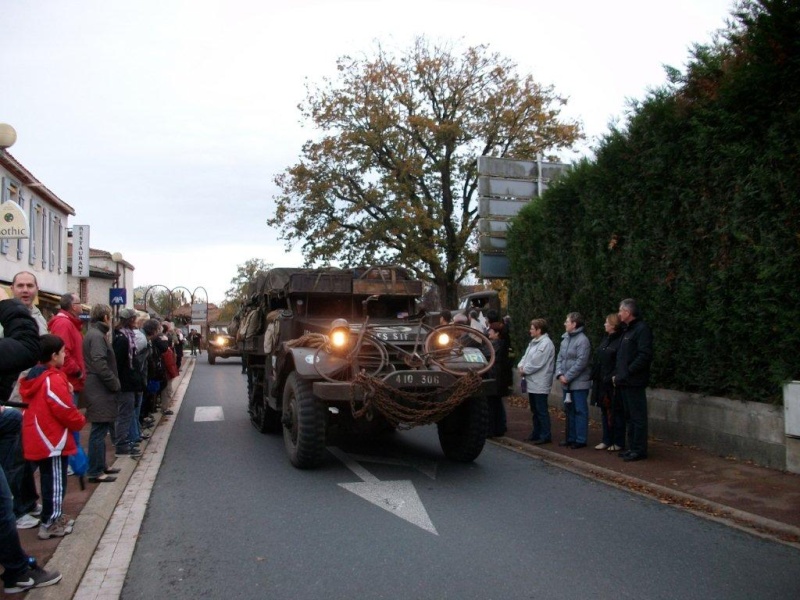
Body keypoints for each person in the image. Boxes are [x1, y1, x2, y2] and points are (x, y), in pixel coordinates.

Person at [0, 287, 62, 594]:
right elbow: (26, 347)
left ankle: (16, 567)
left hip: (17, 415)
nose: (25, 290)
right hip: (47, 436)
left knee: (13, 423)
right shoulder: (45, 370)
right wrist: (9, 306)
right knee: (2, 504)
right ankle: (16, 571)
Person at [19, 334, 86, 540]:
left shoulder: (35, 376)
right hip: (52, 438)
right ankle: (50, 522)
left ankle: (53, 516)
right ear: (54, 355)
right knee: (56, 482)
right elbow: (64, 408)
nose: (66, 355)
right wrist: (79, 421)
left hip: (40, 434)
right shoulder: (52, 379)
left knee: (50, 479)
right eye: (63, 352)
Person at [83, 304, 122, 483]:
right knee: (98, 431)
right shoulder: (97, 336)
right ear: (105, 317)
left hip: (99, 387)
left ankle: (101, 465)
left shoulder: (95, 333)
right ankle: (95, 471)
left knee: (102, 428)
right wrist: (113, 382)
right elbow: (99, 362)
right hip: (100, 388)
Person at [614, 298, 654, 462]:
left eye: (620, 310)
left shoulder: (641, 329)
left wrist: (628, 371)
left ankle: (639, 449)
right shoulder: (627, 331)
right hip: (624, 380)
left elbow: (644, 355)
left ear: (628, 312)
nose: (618, 314)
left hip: (634, 381)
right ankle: (632, 447)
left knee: (637, 417)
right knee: (629, 416)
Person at [555, 312, 592, 449]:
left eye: (567, 321)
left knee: (580, 411)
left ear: (574, 324)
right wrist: (559, 374)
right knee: (569, 410)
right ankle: (570, 437)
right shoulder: (565, 339)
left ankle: (580, 439)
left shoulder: (583, 340)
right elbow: (559, 358)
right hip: (566, 383)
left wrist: (567, 376)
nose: (565, 323)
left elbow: (581, 362)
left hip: (579, 383)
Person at [517, 318, 555, 444]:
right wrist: (520, 365)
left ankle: (545, 434)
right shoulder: (533, 342)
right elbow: (526, 356)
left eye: (532, 329)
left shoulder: (546, 344)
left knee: (541, 410)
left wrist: (524, 370)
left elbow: (537, 362)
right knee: (535, 410)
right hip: (532, 381)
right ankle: (537, 432)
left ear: (539, 330)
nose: (530, 331)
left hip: (540, 381)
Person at [112, 308, 144, 458]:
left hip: (128, 381)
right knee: (124, 413)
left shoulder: (126, 336)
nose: (137, 322)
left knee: (127, 411)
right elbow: (118, 363)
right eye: (135, 319)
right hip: (125, 383)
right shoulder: (122, 339)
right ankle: (122, 443)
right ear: (130, 320)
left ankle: (124, 441)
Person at [591, 313, 624, 451]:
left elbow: (619, 362)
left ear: (613, 325)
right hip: (602, 381)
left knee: (615, 412)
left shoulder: (620, 341)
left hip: (612, 383)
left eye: (606, 322)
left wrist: (611, 376)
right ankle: (606, 439)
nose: (604, 325)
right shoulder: (606, 339)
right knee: (604, 411)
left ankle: (618, 441)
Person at [47, 292, 86, 405]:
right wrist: (77, 372)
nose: (81, 306)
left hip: (72, 381)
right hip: (69, 381)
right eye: (79, 303)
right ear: (73, 306)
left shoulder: (70, 323)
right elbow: (62, 352)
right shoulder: (64, 324)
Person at [485, 322, 510, 437]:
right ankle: (499, 427)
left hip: (495, 377)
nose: (488, 332)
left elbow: (487, 355)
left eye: (491, 331)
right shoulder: (501, 344)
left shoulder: (495, 345)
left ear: (497, 333)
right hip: (498, 377)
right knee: (497, 403)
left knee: (492, 403)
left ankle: (492, 428)